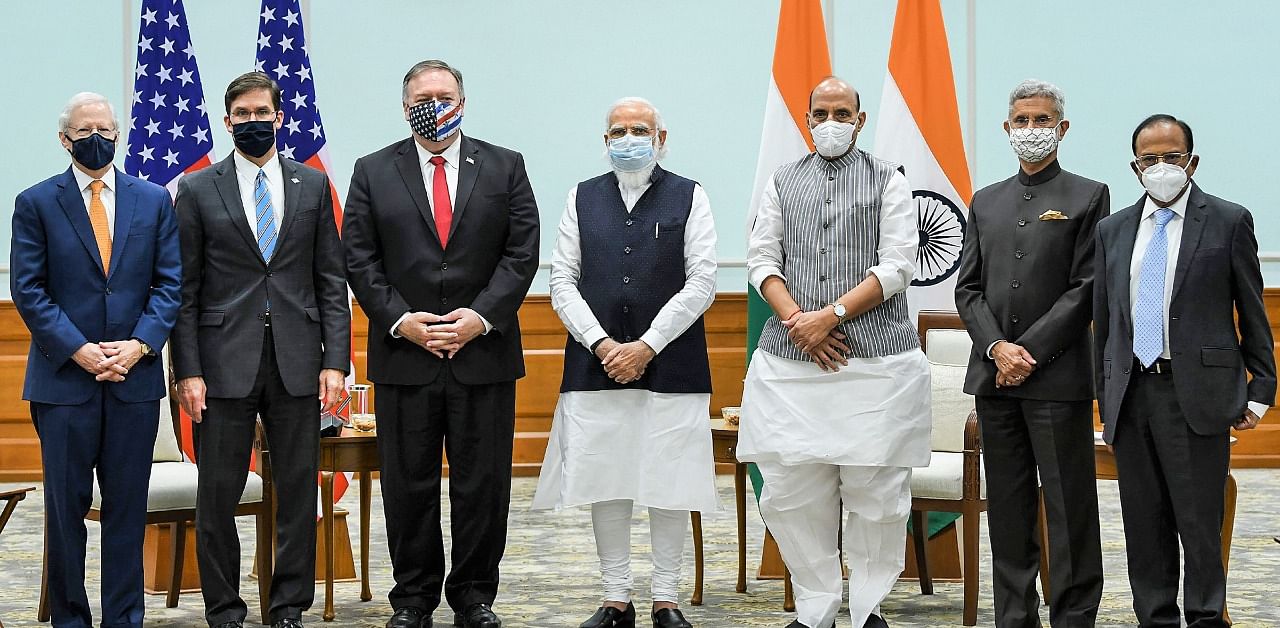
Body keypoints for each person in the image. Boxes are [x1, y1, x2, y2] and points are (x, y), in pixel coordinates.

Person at [343, 59, 540, 628]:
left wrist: (480, 317)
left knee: (483, 486)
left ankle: (475, 597)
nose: (435, 103)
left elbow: (520, 253)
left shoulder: (505, 166)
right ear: (405, 107)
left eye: (445, 94)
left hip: (484, 354)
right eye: (423, 97)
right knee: (408, 487)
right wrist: (401, 320)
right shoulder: (373, 170)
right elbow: (359, 257)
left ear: (463, 100)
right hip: (406, 356)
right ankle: (412, 599)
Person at [736, 76, 930, 628]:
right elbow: (760, 261)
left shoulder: (888, 179)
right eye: (820, 112)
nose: (831, 122)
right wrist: (800, 321)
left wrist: (832, 317)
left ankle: (868, 607)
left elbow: (896, 266)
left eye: (842, 112)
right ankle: (815, 607)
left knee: (876, 492)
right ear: (807, 118)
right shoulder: (781, 180)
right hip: (791, 361)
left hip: (876, 362)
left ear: (860, 120)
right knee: (792, 491)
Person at [171, 72, 350, 628]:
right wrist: (189, 370)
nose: (252, 122)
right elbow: (185, 290)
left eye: (261, 113)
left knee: (298, 493)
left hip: (298, 362)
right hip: (222, 364)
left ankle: (287, 608)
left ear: (279, 117)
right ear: (228, 122)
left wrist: (335, 361)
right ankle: (224, 609)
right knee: (218, 496)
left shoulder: (311, 186)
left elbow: (330, 282)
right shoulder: (199, 189)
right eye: (241, 115)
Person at [532, 97, 717, 628]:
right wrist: (602, 344)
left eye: (640, 129)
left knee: (670, 480)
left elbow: (702, 282)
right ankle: (616, 599)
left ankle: (666, 598)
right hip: (596, 365)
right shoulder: (581, 197)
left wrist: (648, 345)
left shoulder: (690, 195)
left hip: (672, 362)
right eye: (618, 130)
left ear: (662, 139)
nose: (629, 138)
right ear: (605, 140)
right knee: (604, 479)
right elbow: (561, 280)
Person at [1095, 114, 1276, 628]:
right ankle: (1154, 617)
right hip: (1132, 398)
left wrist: (1260, 389)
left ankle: (1204, 617)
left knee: (1198, 523)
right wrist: (1105, 401)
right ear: (1135, 168)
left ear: (1191, 161)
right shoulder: (1113, 230)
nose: (1161, 167)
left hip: (1197, 392)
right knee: (1143, 525)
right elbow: (1105, 323)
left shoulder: (1228, 220)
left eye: (1171, 157)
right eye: (1149, 159)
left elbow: (1253, 312)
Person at [11, 92, 181, 627]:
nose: (97, 138)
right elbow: (29, 289)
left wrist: (139, 345)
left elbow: (170, 285)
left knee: (127, 514)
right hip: (64, 384)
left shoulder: (153, 200)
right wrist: (80, 350)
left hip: (134, 379)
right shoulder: (36, 202)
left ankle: (123, 619)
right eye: (85, 130)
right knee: (66, 514)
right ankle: (69, 619)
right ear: (65, 139)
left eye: (106, 129)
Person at [954, 79, 1106, 627]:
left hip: (1057, 379)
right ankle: (1014, 617)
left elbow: (1086, 287)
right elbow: (966, 288)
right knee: (1010, 511)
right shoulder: (985, 199)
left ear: (1061, 129)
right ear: (1007, 129)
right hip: (995, 380)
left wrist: (1029, 351)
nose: (1031, 130)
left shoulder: (1088, 196)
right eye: (1022, 121)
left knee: (1070, 508)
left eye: (1042, 121)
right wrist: (997, 348)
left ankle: (1073, 615)